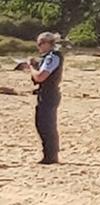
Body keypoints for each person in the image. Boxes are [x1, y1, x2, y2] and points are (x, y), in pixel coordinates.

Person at [21, 32, 63, 165]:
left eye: (40, 44)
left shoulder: (52, 57)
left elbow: (40, 77)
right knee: (43, 123)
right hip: (46, 93)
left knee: (46, 125)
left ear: (48, 43)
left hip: (49, 94)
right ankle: (50, 154)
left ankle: (51, 156)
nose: (38, 47)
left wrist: (31, 67)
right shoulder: (49, 57)